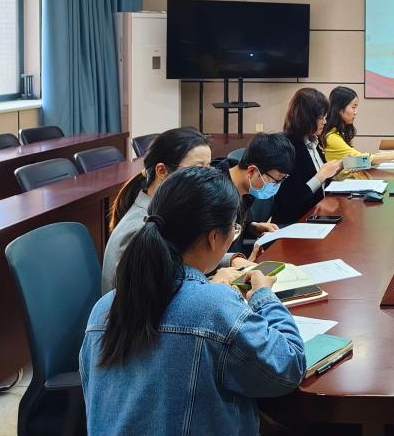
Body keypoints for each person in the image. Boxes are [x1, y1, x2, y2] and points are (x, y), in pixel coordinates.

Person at [81, 166, 305, 434]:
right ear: (214, 237)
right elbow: (289, 366)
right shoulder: (214, 307)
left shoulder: (103, 309)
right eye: (234, 229)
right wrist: (263, 297)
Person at [102, 127, 211, 292]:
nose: (206, 178)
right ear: (162, 171)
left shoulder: (168, 210)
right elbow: (145, 298)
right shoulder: (138, 230)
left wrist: (233, 260)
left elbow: (189, 257)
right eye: (197, 169)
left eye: (208, 167)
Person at [213, 132, 296, 267]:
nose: (276, 186)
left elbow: (233, 226)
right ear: (251, 171)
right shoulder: (216, 195)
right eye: (275, 180)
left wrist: (252, 227)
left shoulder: (244, 191)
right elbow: (202, 252)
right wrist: (234, 260)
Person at [273, 87, 344, 225]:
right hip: (297, 222)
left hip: (318, 213)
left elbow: (321, 186)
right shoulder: (287, 148)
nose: (324, 122)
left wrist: (332, 172)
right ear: (306, 118)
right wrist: (321, 175)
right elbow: (291, 202)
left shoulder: (313, 142)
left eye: (325, 117)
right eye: (321, 117)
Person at [322, 86, 394, 165]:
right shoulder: (332, 137)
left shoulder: (338, 133)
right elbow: (360, 160)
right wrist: (393, 156)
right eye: (353, 107)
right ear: (339, 108)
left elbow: (354, 161)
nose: (356, 112)